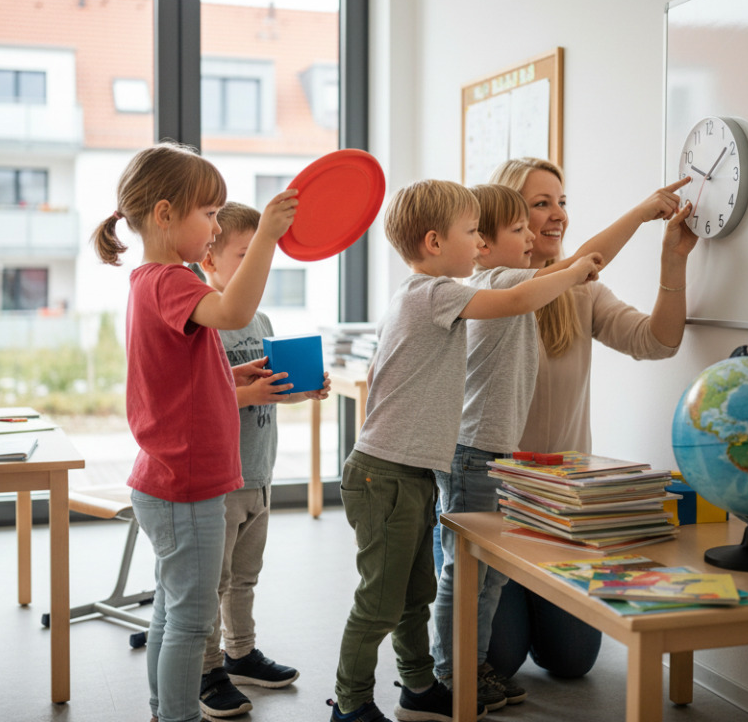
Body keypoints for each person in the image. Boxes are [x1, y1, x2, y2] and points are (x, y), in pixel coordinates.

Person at [328, 179, 601, 722]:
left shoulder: (423, 295)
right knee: (380, 601)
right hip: (386, 474)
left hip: (411, 471)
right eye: (471, 232)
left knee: (414, 595)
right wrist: (573, 271)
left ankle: (418, 686)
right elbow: (520, 298)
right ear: (434, 242)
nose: (479, 245)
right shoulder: (434, 292)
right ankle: (351, 701)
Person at [429, 180, 691, 709]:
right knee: (491, 644)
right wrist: (640, 211)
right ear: (482, 236)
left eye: (561, 203)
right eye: (533, 209)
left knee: (572, 660)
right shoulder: (494, 288)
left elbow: (658, 341)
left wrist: (671, 259)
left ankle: (478, 654)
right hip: (493, 484)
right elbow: (583, 264)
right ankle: (455, 669)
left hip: (559, 508)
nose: (552, 218)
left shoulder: (577, 290)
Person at [91, 142, 298, 722]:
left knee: (170, 611)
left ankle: (164, 709)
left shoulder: (151, 282)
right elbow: (234, 313)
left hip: (166, 478)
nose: (214, 227)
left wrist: (231, 373)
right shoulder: (172, 280)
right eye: (208, 214)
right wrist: (266, 239)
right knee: (189, 619)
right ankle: (178, 715)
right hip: (187, 483)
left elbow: (182, 372)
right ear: (163, 215)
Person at [193, 202, 332, 718]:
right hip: (222, 480)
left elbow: (263, 389)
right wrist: (254, 393)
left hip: (259, 472)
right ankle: (207, 669)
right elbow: (208, 399)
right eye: (246, 254)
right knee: (216, 580)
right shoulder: (206, 320)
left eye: (264, 254)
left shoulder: (263, 319)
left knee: (245, 576)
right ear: (209, 259)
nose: (259, 264)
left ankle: (241, 653)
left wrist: (301, 391)